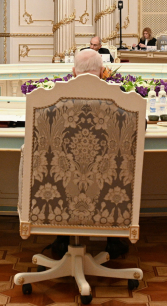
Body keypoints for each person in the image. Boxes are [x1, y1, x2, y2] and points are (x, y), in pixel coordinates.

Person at [30, 50, 129, 261]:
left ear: (73, 71)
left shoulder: (53, 100)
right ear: (102, 71)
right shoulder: (121, 100)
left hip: (62, 191)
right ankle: (113, 239)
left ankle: (61, 238)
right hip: (108, 189)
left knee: (59, 169)